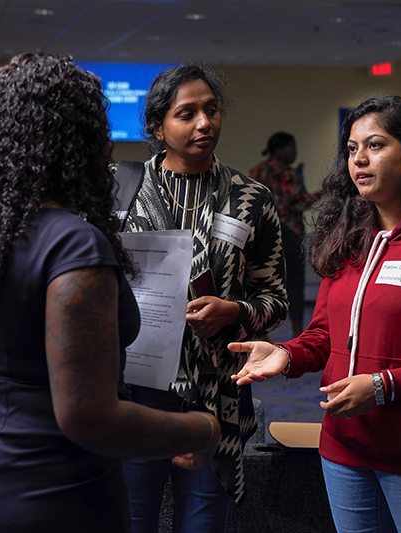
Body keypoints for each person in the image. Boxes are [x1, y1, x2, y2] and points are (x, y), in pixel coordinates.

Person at [0, 53, 221, 533]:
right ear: (79, 141)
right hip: (55, 493)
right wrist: (203, 428)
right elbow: (88, 417)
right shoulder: (74, 244)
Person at [230, 95, 401, 533]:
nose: (359, 159)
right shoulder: (350, 239)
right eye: (352, 148)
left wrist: (383, 386)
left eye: (375, 145)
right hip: (346, 451)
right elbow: (326, 334)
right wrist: (286, 353)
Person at [117, 63, 288, 532]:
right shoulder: (120, 191)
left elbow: (275, 298)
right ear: (157, 127)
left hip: (215, 396)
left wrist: (235, 311)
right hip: (133, 392)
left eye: (211, 110)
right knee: (131, 517)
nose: (204, 123)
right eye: (186, 113)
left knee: (202, 522)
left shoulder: (251, 198)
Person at [249, 132, 316, 338]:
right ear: (278, 150)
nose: (295, 153)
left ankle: (262, 334)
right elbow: (299, 203)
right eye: (291, 149)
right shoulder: (288, 173)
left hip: (261, 234)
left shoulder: (256, 171)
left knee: (262, 283)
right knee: (295, 283)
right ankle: (297, 333)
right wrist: (325, 192)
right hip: (288, 233)